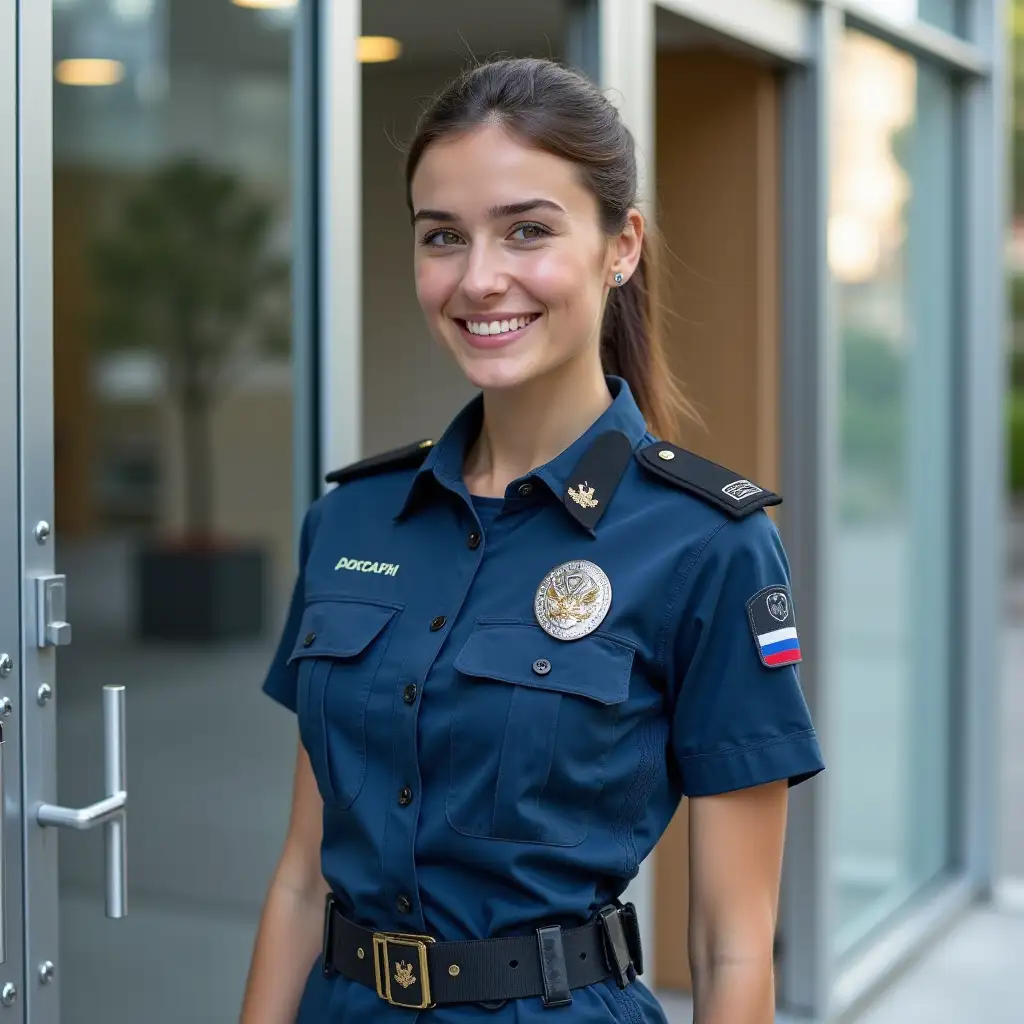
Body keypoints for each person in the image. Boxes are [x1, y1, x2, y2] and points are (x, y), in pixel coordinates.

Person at [240, 56, 824, 1024]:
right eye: (442, 237)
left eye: (527, 231)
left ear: (620, 244)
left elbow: (730, 946)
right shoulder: (350, 518)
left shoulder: (705, 544)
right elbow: (303, 877)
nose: (479, 279)